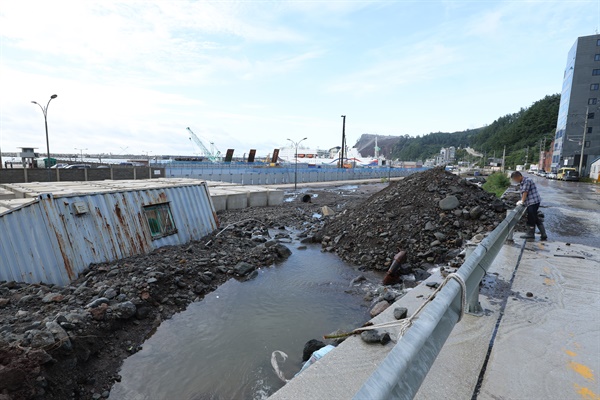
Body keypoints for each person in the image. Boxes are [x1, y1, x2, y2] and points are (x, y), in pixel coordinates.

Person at [511, 171, 547, 240]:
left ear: (518, 177)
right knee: (535, 217)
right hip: (532, 202)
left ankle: (530, 234)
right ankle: (543, 234)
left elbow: (525, 192)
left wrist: (522, 201)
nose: (515, 181)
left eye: (515, 179)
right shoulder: (522, 182)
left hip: (533, 202)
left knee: (531, 218)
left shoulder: (527, 181)